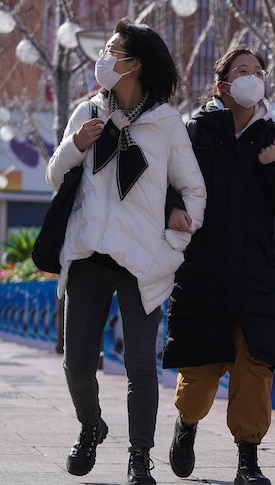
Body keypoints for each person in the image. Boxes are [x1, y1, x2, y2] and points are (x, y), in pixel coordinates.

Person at [46, 18, 206, 485]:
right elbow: (55, 177)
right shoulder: (88, 111)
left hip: (142, 262)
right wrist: (78, 144)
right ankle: (91, 426)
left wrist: (170, 248)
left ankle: (140, 458)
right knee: (77, 364)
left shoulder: (166, 122)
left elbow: (192, 192)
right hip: (87, 257)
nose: (104, 58)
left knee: (140, 365)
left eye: (113, 50)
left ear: (134, 64)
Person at [162, 46, 275, 485]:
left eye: (258, 71)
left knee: (255, 369)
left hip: (256, 278)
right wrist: (174, 207)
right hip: (203, 274)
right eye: (242, 71)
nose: (252, 77)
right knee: (200, 373)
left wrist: (274, 169)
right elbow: (161, 184)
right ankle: (186, 426)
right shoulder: (193, 133)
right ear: (222, 85)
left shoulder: (273, 140)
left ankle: (248, 461)